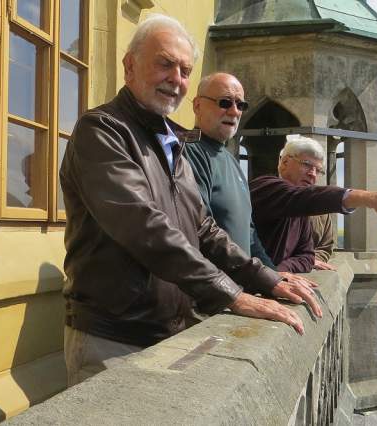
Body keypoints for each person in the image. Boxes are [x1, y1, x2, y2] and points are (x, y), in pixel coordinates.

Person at [59, 15, 321, 386]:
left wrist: (267, 278)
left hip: (169, 332)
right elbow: (144, 228)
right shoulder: (102, 130)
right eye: (165, 64)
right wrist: (233, 295)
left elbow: (204, 228)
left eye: (185, 71)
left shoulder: (170, 142)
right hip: (114, 336)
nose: (176, 79)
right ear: (129, 66)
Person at [184, 73, 315, 288]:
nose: (234, 111)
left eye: (241, 105)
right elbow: (202, 231)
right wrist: (262, 278)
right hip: (212, 294)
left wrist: (272, 274)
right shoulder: (190, 153)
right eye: (224, 102)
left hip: (238, 287)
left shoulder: (231, 161)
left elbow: (250, 234)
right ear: (197, 105)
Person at [250, 136, 377, 273]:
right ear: (284, 162)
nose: (312, 174)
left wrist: (279, 272)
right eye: (306, 164)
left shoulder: (301, 210)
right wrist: (368, 197)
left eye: (318, 170)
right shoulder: (266, 187)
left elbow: (307, 256)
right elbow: (308, 197)